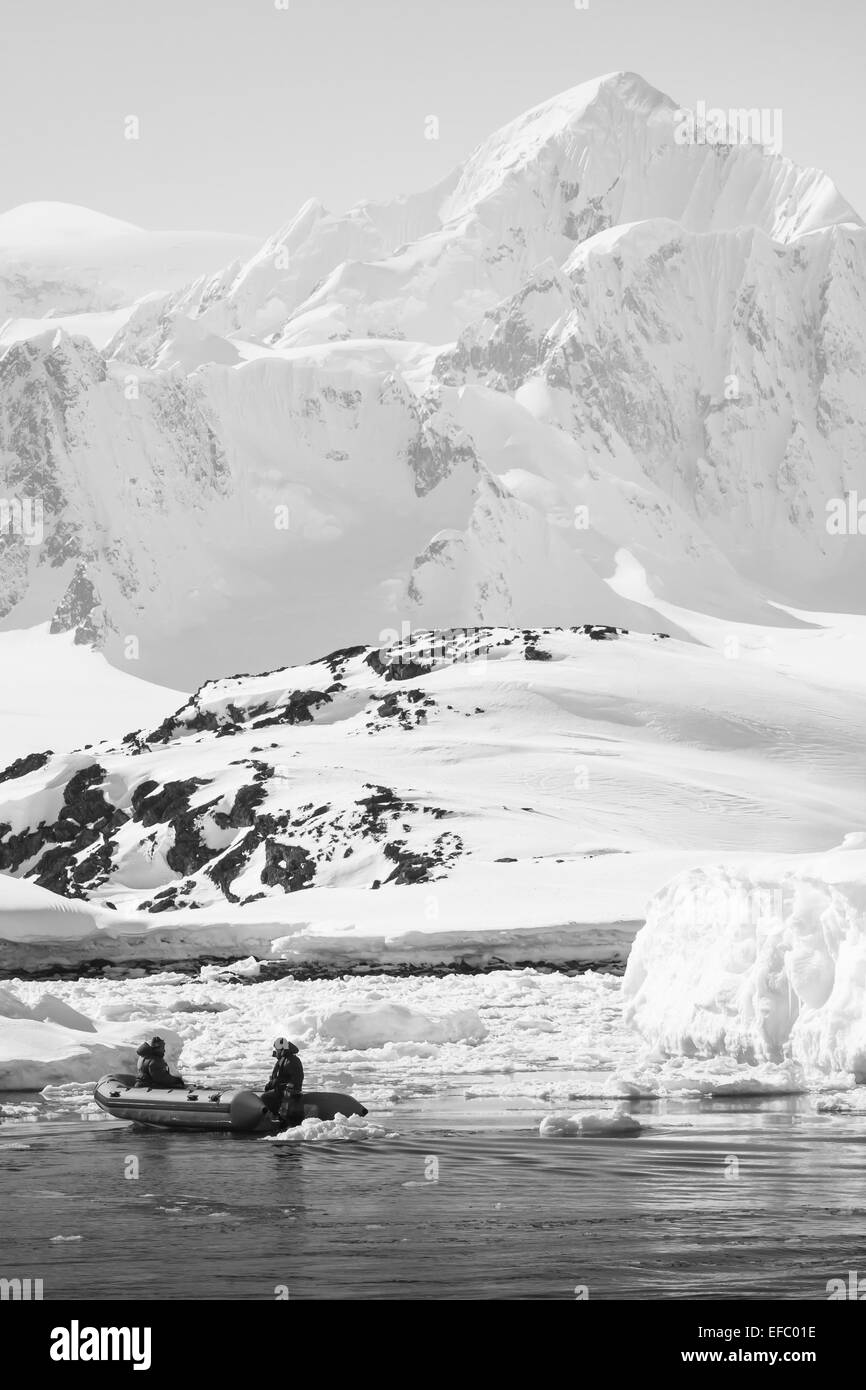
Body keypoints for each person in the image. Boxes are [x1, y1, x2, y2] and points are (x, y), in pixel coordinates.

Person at [262, 1037, 304, 1126]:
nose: (275, 1051)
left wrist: (287, 1086)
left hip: (288, 1091)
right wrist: (272, 1084)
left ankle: (280, 1118)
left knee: (265, 1097)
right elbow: (279, 1077)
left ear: (282, 1049)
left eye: (277, 1049)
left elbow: (296, 1077)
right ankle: (278, 1116)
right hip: (282, 1088)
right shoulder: (284, 1059)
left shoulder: (291, 1060)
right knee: (268, 1094)